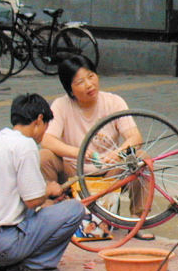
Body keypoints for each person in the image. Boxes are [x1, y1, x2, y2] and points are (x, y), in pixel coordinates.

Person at [0, 93, 84, 271]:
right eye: (46, 126)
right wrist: (50, 190)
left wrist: (46, 197)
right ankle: (34, 264)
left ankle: (5, 261)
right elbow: (33, 200)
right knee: (75, 209)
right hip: (1, 244)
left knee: (45, 210)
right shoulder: (25, 145)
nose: (45, 133)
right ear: (39, 120)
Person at [39, 55, 154, 240]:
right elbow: (47, 140)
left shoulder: (113, 102)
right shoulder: (61, 105)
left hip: (110, 171)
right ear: (70, 89)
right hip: (74, 171)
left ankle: (137, 221)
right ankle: (49, 216)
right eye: (80, 82)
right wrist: (80, 153)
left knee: (141, 158)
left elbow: (135, 137)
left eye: (91, 76)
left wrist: (118, 153)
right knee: (44, 156)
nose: (89, 85)